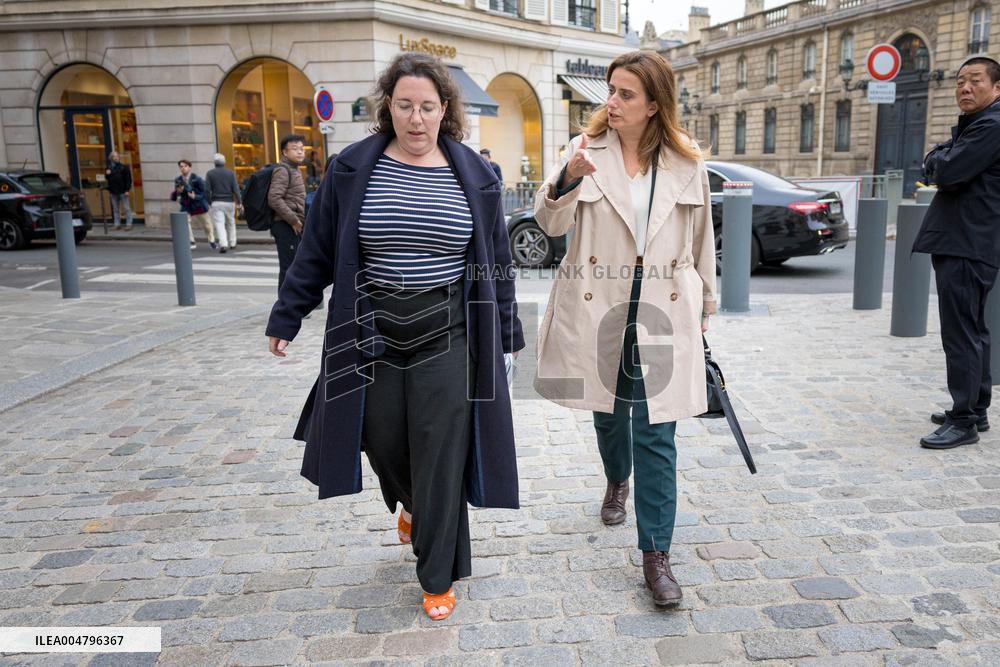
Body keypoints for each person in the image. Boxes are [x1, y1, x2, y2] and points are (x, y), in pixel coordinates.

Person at [265, 52, 524, 621]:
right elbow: (318, 249)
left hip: (447, 331)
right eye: (405, 105)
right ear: (389, 107)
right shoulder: (353, 167)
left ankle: (437, 574)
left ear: (445, 111)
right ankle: (411, 506)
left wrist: (504, 334)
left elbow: (494, 262)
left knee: (440, 451)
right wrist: (288, 314)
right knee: (381, 438)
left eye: (427, 107)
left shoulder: (475, 174)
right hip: (371, 330)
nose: (415, 118)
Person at [533, 50, 716, 607]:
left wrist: (706, 306)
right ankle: (617, 478)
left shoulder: (688, 163)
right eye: (610, 90)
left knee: (657, 432)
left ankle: (656, 555)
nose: (610, 101)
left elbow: (703, 240)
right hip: (600, 302)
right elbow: (548, 223)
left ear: (654, 104)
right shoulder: (584, 151)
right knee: (609, 413)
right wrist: (567, 177)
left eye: (625, 93)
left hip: (664, 305)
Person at [913, 55, 1000, 450]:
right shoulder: (979, 125)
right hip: (971, 240)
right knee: (974, 329)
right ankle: (976, 408)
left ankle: (963, 419)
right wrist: (940, 156)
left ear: (996, 88)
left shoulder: (991, 125)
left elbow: (944, 170)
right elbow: (944, 159)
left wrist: (935, 159)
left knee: (961, 334)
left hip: (967, 241)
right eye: (961, 81)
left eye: (976, 81)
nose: (965, 87)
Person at [268, 134, 307, 291]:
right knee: (289, 268)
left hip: (291, 225)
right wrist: (294, 220)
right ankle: (285, 310)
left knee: (294, 267)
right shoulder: (283, 170)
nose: (300, 152)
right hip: (285, 225)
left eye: (302, 149)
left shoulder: (294, 170)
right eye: (295, 149)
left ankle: (290, 307)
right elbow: (274, 198)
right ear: (284, 152)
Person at [170, 159, 215, 250]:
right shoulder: (178, 180)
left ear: (190, 167)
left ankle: (212, 241)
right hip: (186, 205)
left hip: (198, 205)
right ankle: (191, 241)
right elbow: (175, 195)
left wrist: (195, 196)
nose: (183, 168)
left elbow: (204, 193)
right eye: (181, 166)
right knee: (185, 223)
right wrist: (177, 192)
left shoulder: (197, 179)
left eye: (185, 166)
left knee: (207, 225)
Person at [205, 153, 242, 253]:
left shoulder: (210, 173)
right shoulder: (230, 173)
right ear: (224, 162)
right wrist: (239, 201)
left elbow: (207, 190)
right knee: (231, 222)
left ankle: (223, 243)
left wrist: (209, 201)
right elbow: (235, 189)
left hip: (216, 202)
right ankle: (233, 242)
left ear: (214, 163)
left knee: (219, 224)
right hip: (229, 202)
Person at [105, 151, 133, 230]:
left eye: (117, 156)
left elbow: (128, 179)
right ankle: (117, 224)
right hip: (113, 191)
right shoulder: (109, 167)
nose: (116, 158)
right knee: (115, 209)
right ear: (111, 158)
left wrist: (127, 190)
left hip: (123, 190)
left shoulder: (123, 167)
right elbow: (107, 178)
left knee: (126, 208)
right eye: (114, 156)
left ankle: (129, 223)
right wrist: (107, 174)